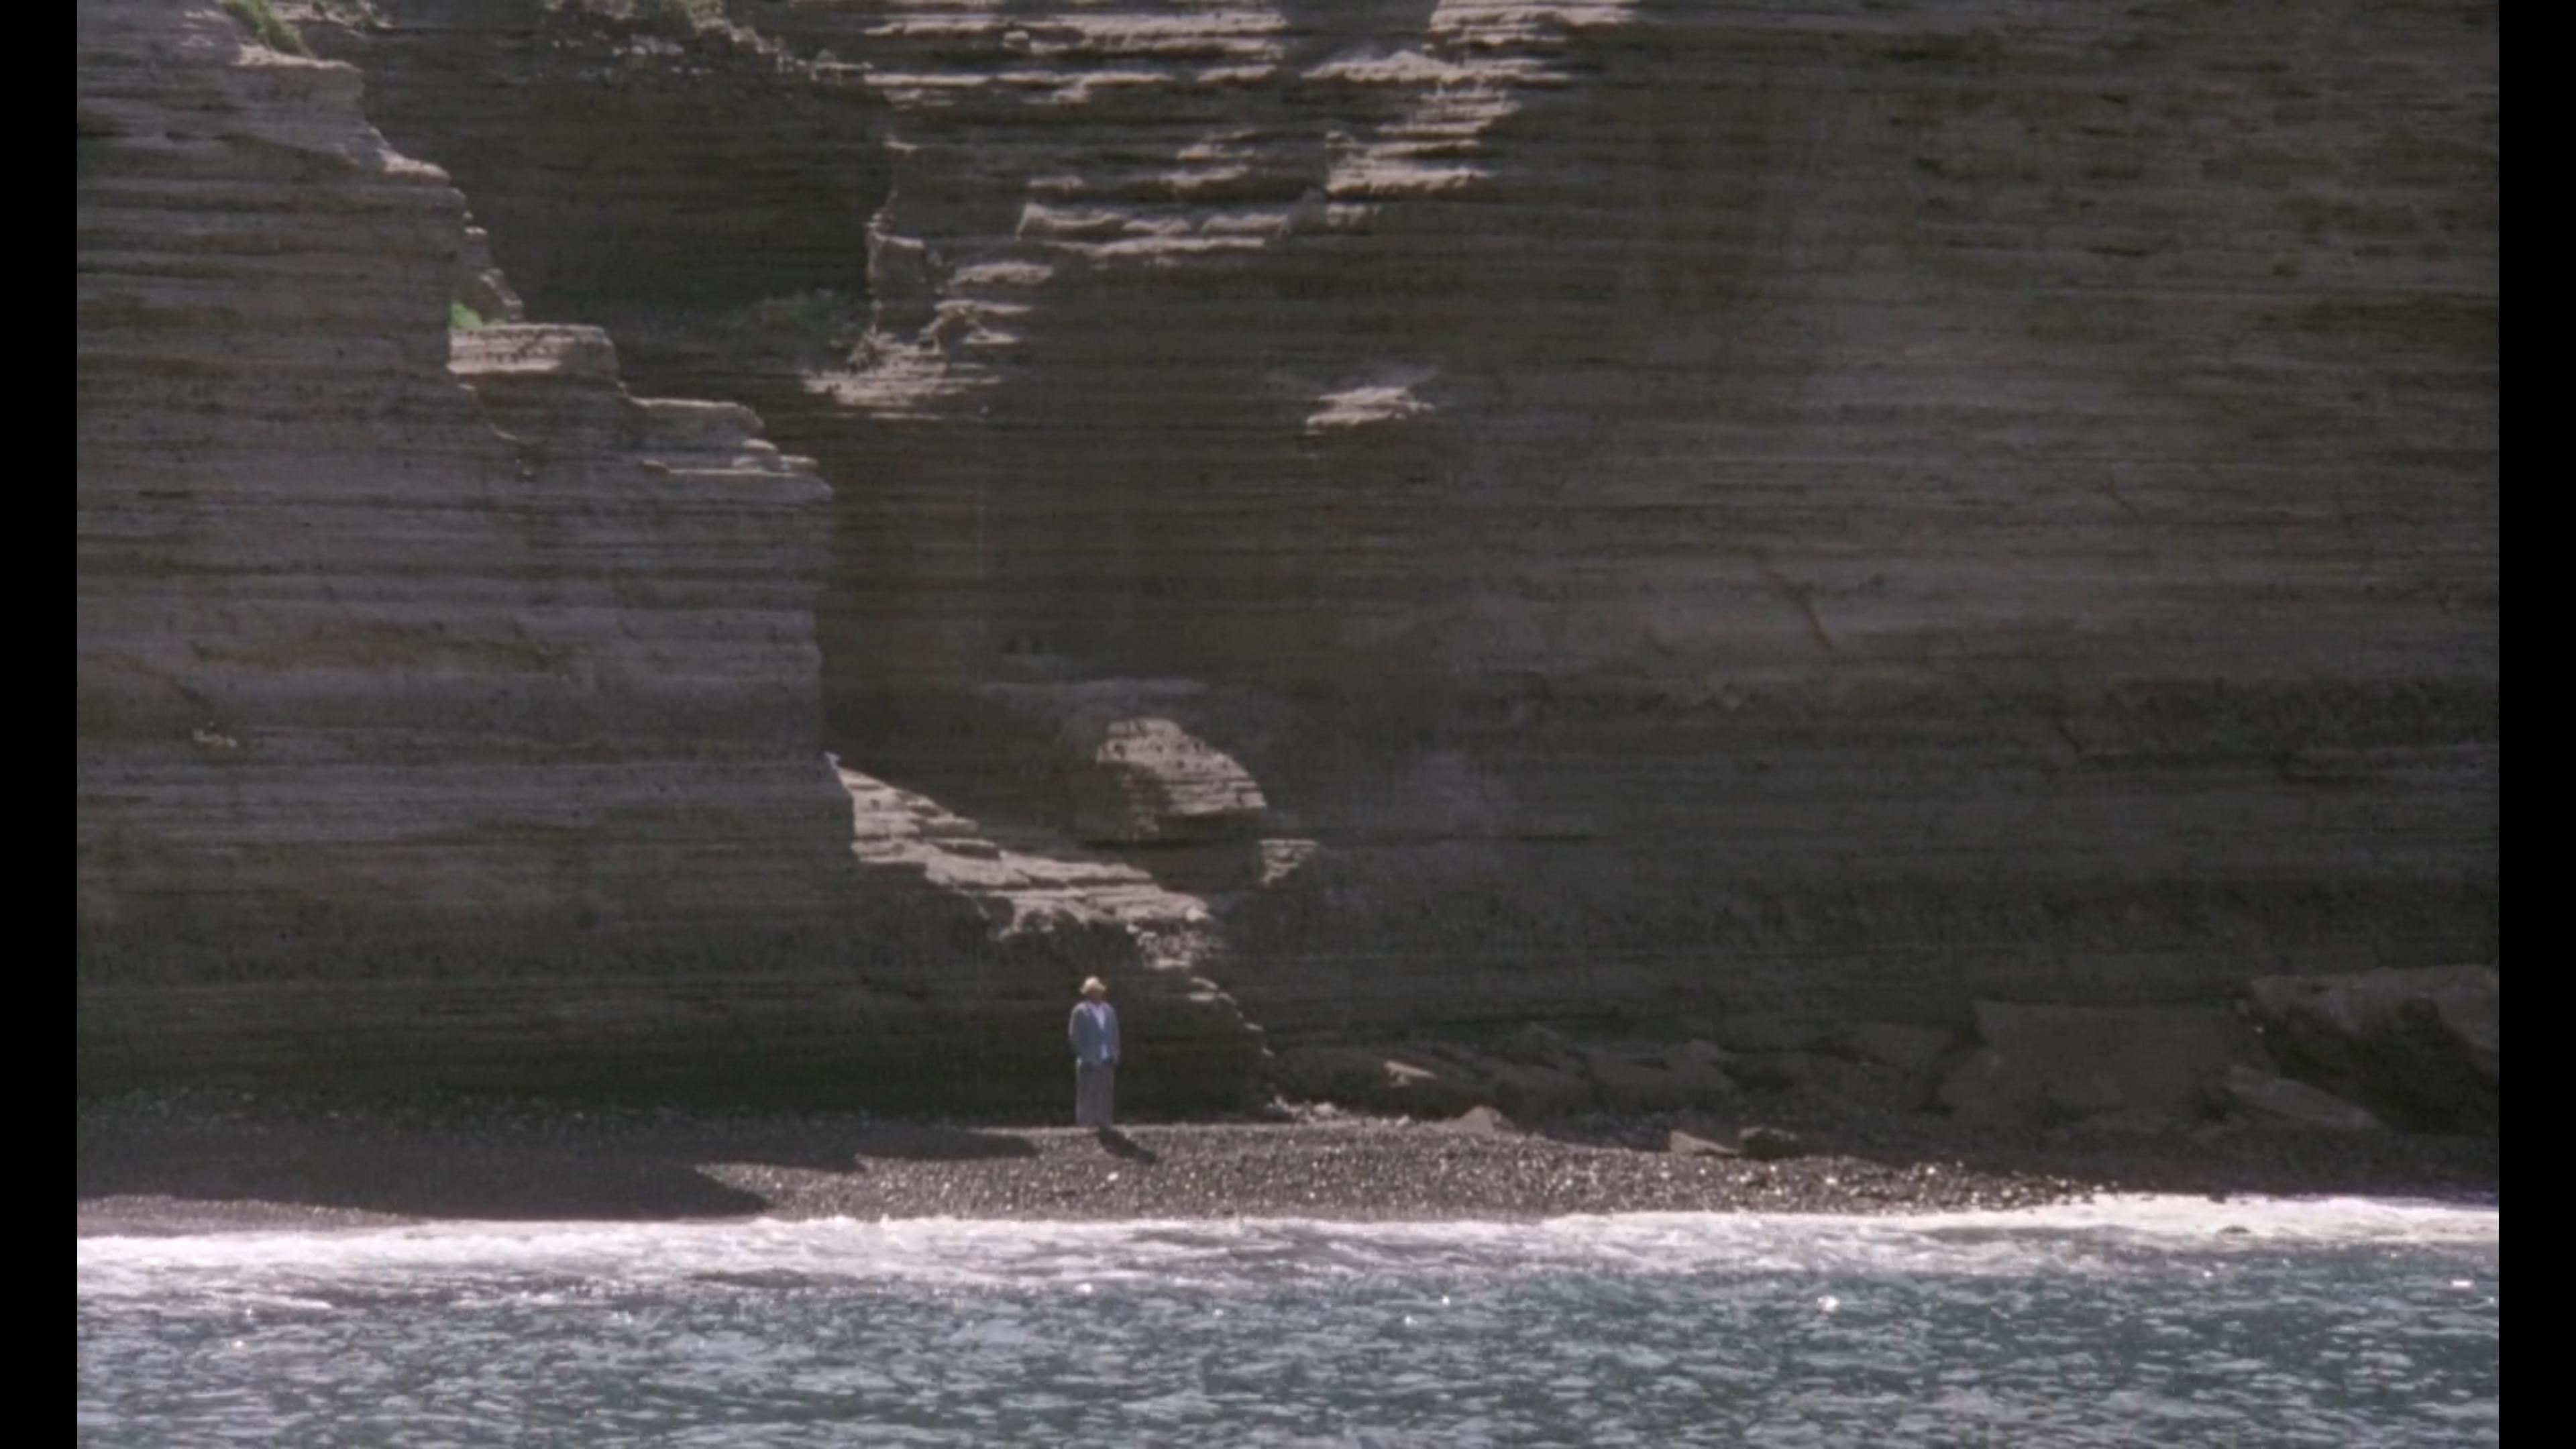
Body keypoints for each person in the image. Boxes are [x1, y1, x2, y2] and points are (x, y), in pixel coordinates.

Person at [1068, 976, 1120, 1128]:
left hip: (1107, 1057)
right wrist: (1084, 1055)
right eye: (1092, 991)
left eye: (1097, 991)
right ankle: (1086, 1122)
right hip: (1088, 1059)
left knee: (1106, 1092)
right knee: (1087, 1092)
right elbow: (1074, 1036)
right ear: (1087, 993)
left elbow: (1115, 1033)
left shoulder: (1109, 1011)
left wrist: (1115, 1053)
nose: (1095, 994)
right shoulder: (1080, 1011)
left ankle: (1104, 1121)